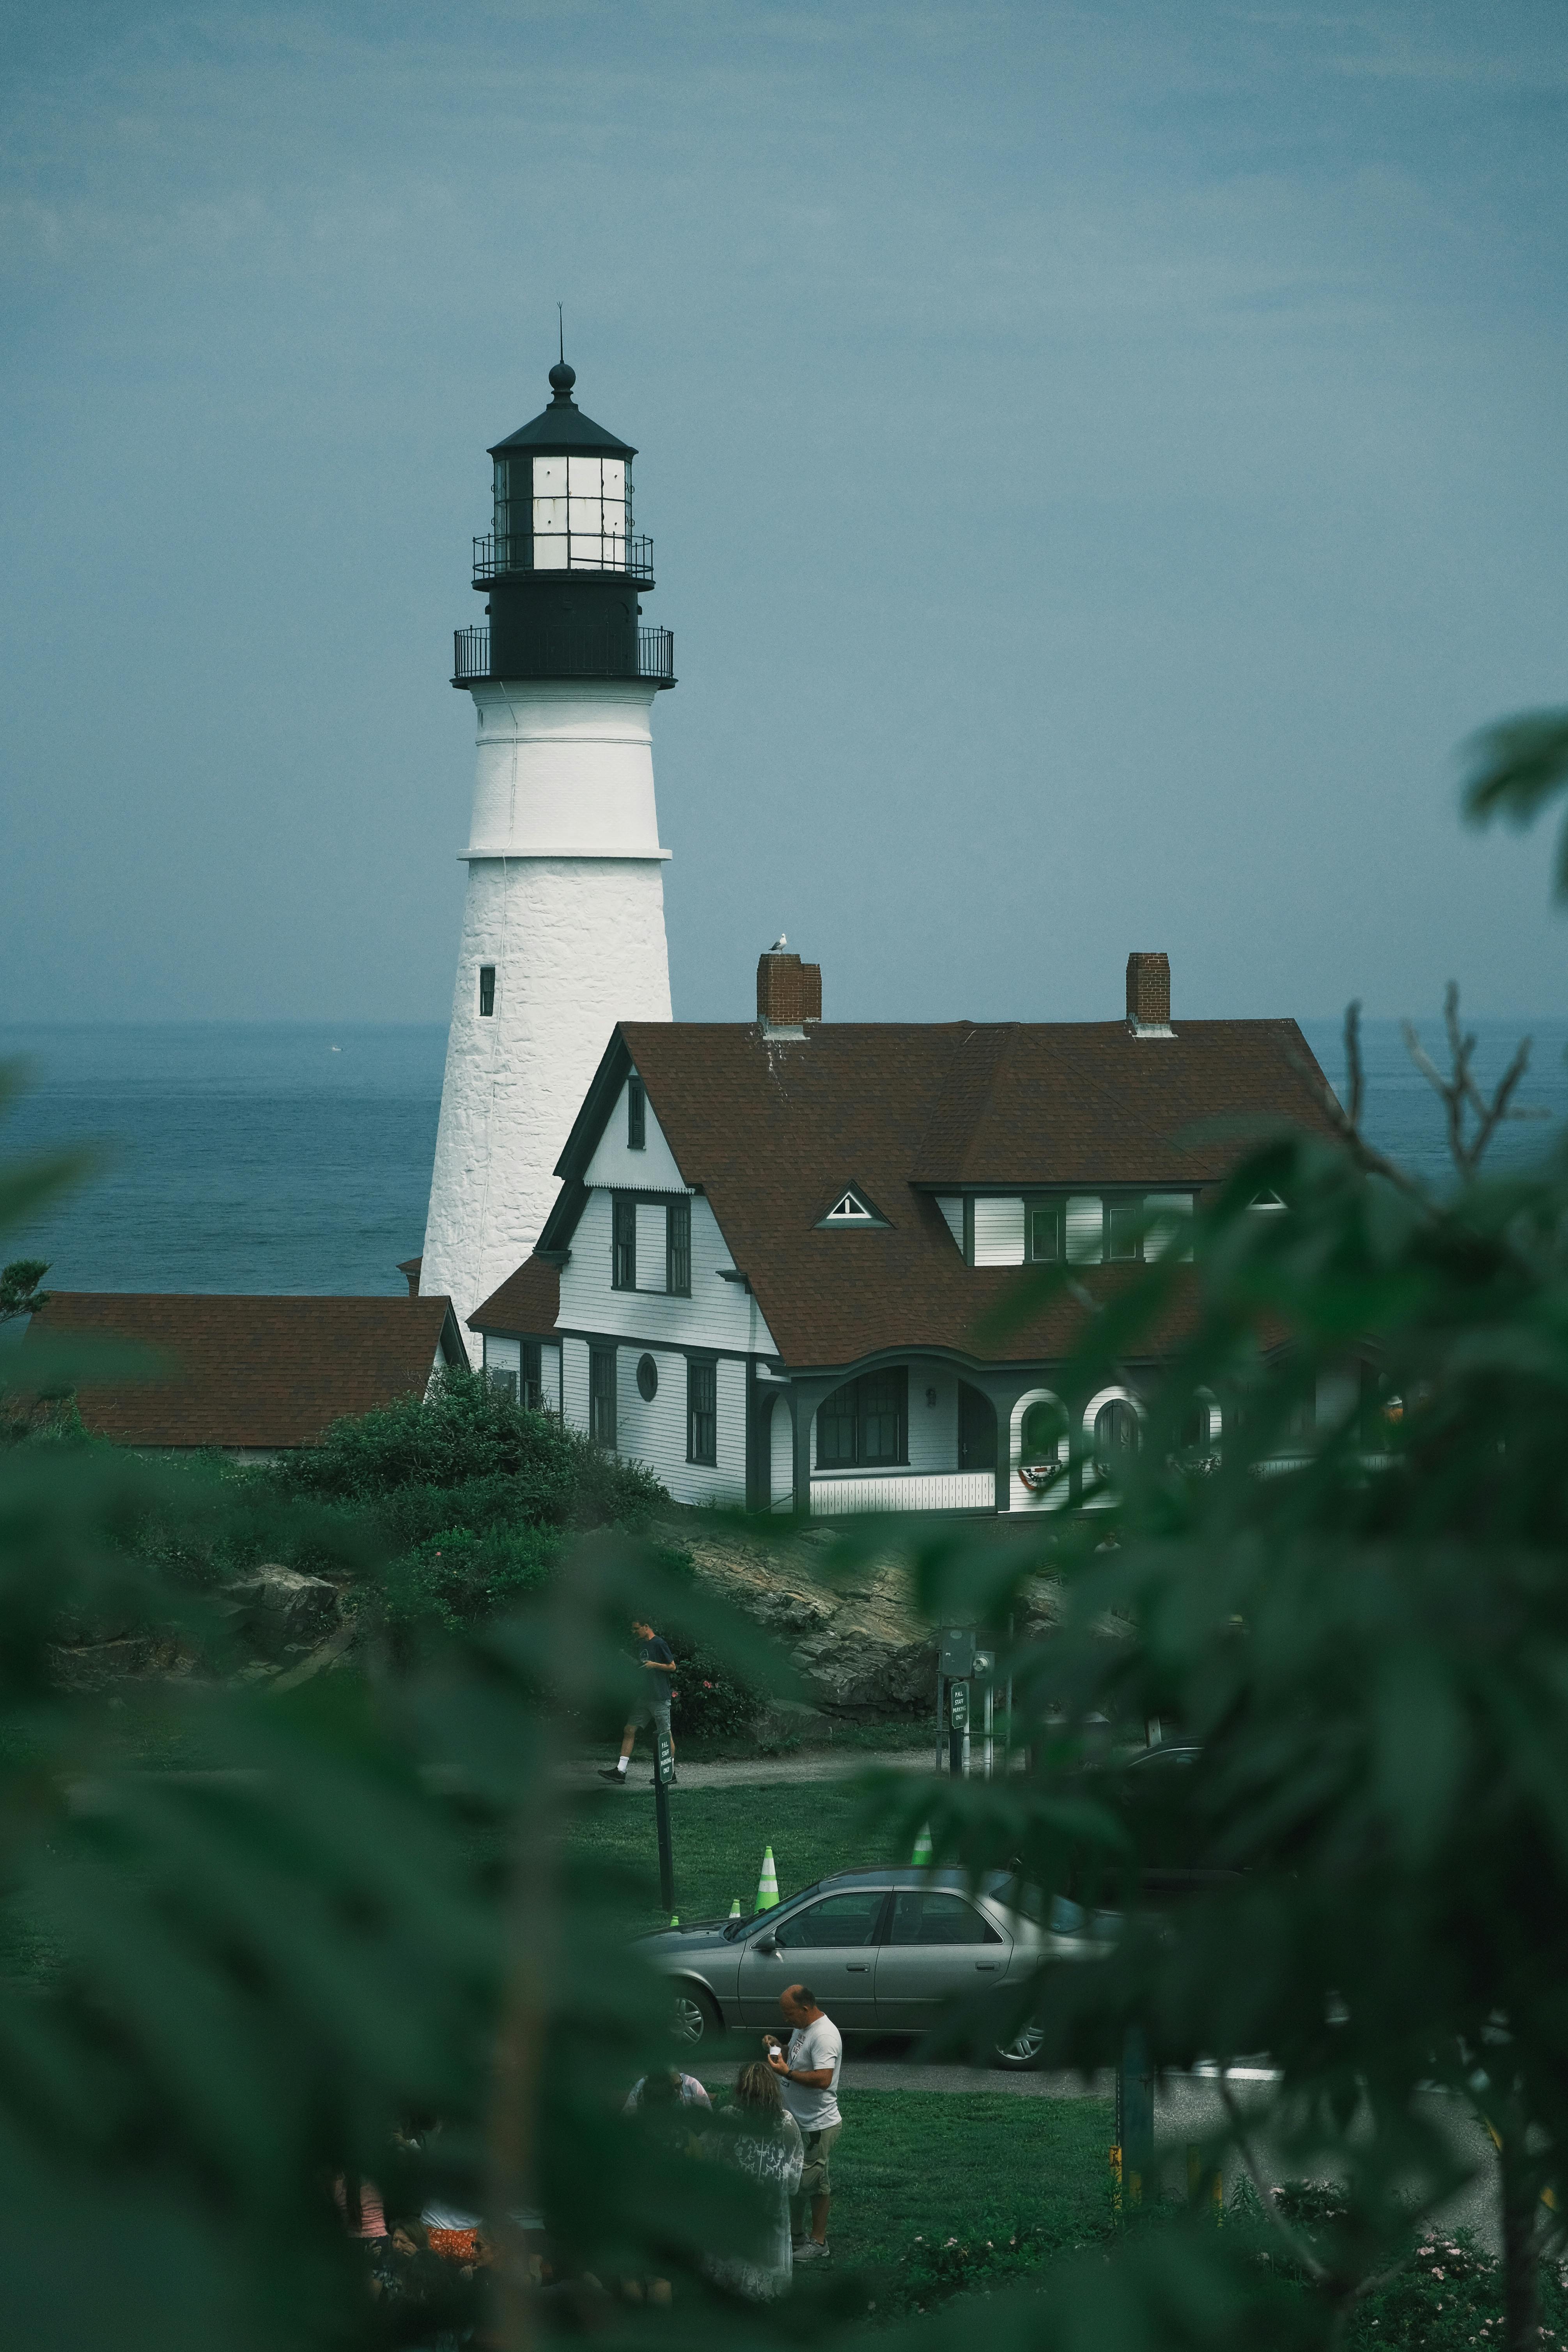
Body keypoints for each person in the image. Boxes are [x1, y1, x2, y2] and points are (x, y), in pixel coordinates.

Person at [700, 2061, 804, 2300]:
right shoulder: (787, 2123)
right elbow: (794, 2178)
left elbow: (709, 2157)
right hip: (770, 2207)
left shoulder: (728, 2118)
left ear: (741, 2090)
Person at [765, 1983, 842, 2262]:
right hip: (797, 2122)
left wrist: (787, 2072)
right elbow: (797, 2055)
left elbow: (823, 2079)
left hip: (816, 2125)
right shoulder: (804, 2028)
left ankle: (819, 2242)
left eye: (789, 2013)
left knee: (814, 2182)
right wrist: (778, 2048)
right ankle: (796, 2235)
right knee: (795, 2179)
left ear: (806, 2008)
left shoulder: (824, 2036)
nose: (786, 2019)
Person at [598, 1616, 678, 1785]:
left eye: (636, 1629)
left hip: (659, 1697)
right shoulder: (642, 1645)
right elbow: (642, 1667)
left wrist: (654, 1665)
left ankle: (670, 1774)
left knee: (665, 1734)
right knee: (629, 1730)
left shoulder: (659, 1644)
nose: (634, 1632)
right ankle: (620, 1771)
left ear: (646, 1627)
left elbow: (672, 1666)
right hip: (644, 1697)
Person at [624, 2066, 712, 2115]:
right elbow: (628, 2115)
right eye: (669, 2087)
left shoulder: (692, 2085)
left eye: (678, 2086)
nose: (675, 2091)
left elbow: (708, 2119)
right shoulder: (643, 2086)